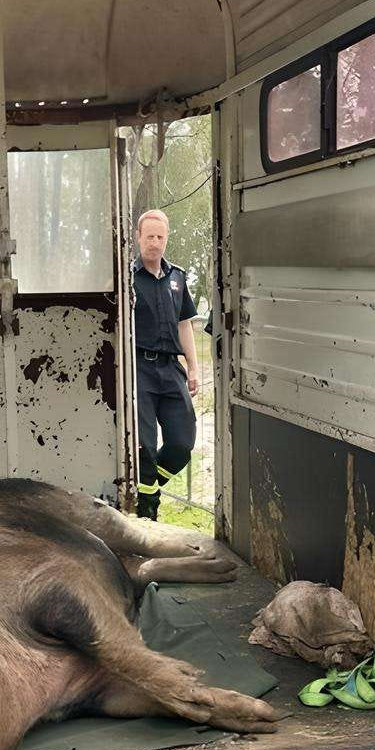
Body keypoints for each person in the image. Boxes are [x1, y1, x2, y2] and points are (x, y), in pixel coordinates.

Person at [132, 209, 199, 520]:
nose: (154, 243)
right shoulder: (127, 279)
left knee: (182, 443)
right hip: (140, 370)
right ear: (138, 238)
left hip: (171, 369)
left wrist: (194, 369)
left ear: (166, 239)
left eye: (160, 237)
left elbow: (185, 324)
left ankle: (148, 488)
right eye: (149, 237)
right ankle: (147, 516)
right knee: (144, 447)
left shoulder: (178, 278)